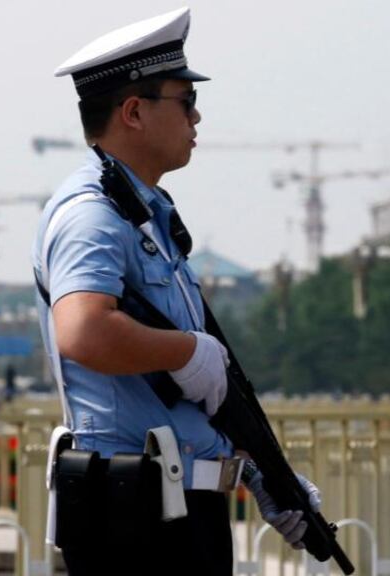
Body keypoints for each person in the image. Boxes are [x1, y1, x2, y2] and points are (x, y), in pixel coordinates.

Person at [32, 8, 320, 575]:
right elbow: (83, 331)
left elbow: (185, 394)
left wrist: (264, 472)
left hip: (178, 512)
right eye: (184, 100)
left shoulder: (144, 217)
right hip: (135, 518)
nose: (197, 115)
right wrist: (188, 352)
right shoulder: (94, 216)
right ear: (134, 111)